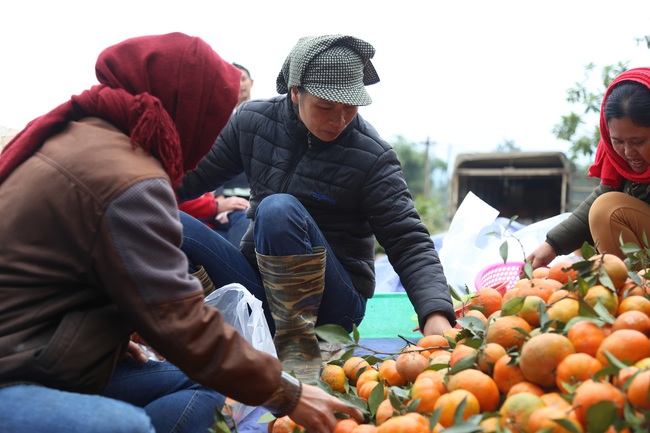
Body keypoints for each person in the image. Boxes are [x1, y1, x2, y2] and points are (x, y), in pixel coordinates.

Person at [0, 32, 362, 433]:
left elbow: (69, 271)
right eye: (212, 118)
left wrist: (111, 339)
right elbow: (178, 319)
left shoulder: (83, 135)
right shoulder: (125, 176)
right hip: (17, 369)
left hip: (42, 351)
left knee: (214, 389)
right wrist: (287, 392)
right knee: (129, 426)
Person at [178, 34, 456, 382]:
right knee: (172, 221)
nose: (339, 120)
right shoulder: (252, 122)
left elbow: (408, 240)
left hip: (332, 307)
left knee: (278, 210)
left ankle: (298, 352)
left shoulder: (372, 157)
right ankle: (202, 332)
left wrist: (435, 313)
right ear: (295, 92)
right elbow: (189, 176)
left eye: (350, 108)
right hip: (262, 286)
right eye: (326, 107)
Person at [527, 67, 650, 269]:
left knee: (607, 212)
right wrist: (553, 245)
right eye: (617, 141)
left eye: (638, 141)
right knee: (585, 243)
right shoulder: (620, 161)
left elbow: (604, 207)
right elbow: (603, 194)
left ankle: (638, 291)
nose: (628, 152)